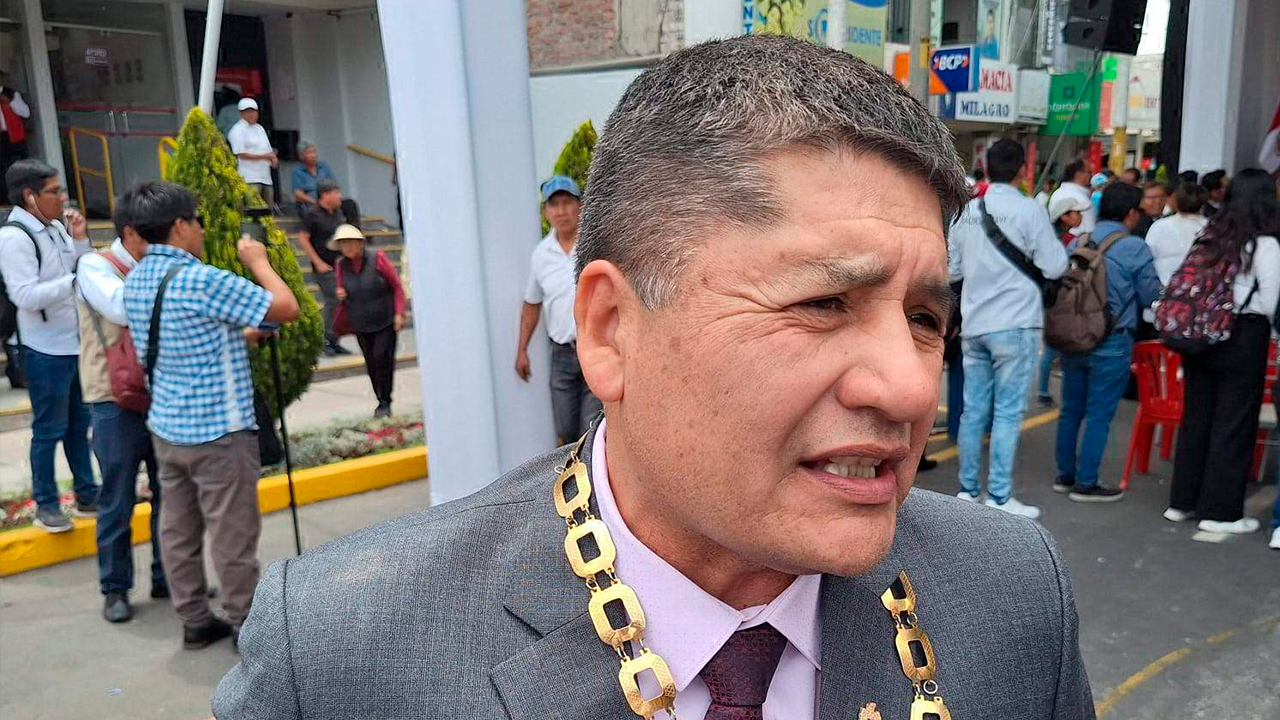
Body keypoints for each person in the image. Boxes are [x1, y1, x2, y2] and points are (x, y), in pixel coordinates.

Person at [215, 35, 1094, 720]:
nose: (909, 389)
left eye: (926, 319)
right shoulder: (346, 655)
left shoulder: (1012, 596)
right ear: (610, 330)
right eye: (824, 303)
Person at [122, 181, 300, 651]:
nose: (201, 230)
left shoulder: (137, 279)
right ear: (180, 226)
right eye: (197, 221)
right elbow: (286, 307)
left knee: (177, 529)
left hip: (169, 429)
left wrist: (243, 336)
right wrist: (258, 262)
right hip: (219, 433)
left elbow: (184, 341)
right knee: (232, 533)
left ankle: (195, 620)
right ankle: (246, 625)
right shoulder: (200, 279)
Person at [949, 139, 1068, 518]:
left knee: (972, 412)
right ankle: (999, 496)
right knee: (1006, 413)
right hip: (1016, 323)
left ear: (986, 166)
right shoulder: (1029, 210)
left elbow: (951, 269)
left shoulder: (967, 212)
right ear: (1022, 169)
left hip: (975, 324)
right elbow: (1055, 265)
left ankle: (968, 490)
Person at [1166, 169, 1280, 535]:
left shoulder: (1211, 233)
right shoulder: (1264, 244)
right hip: (1244, 335)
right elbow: (1269, 302)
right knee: (1234, 423)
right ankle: (1220, 511)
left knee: (1197, 417)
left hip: (1200, 335)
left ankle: (1182, 501)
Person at [75, 195, 168, 623]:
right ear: (130, 233)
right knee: (117, 497)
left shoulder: (153, 266)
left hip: (159, 394)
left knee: (171, 494)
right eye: (154, 235)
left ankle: (168, 575)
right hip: (112, 399)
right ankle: (115, 588)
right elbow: (121, 307)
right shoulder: (95, 266)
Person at [0, 159, 97, 533]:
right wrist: (72, 281)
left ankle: (87, 493)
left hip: (71, 343)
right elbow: (25, 295)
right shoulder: (15, 238)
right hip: (42, 349)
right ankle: (46, 505)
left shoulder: (55, 228)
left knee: (78, 425)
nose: (62, 198)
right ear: (30, 196)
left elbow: (78, 268)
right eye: (54, 191)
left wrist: (79, 240)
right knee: (48, 430)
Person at [1054, 183, 1161, 503]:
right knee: (1099, 413)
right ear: (1130, 213)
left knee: (1070, 409)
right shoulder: (1134, 247)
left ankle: (1065, 474)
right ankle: (1086, 482)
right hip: (1112, 339)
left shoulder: (1080, 242)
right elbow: (1150, 295)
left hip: (1075, 334)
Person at [515, 174, 602, 443]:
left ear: (580, 206)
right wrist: (521, 350)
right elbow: (532, 303)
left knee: (591, 428)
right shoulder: (541, 254)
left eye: (567, 202)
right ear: (546, 212)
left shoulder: (595, 246)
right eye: (554, 205)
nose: (561, 211)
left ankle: (592, 471)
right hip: (562, 355)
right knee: (565, 428)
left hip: (595, 346)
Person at [331, 224, 406, 418]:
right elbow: (340, 288)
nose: (347, 247)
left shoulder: (377, 258)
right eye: (343, 244)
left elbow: (397, 286)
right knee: (371, 362)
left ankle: (386, 399)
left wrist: (399, 313)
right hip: (360, 321)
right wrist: (340, 293)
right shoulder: (340, 265)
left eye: (350, 242)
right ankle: (379, 399)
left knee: (382, 357)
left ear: (360, 243)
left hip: (385, 319)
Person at [1036, 191, 1093, 408]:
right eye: (1076, 212)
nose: (1080, 216)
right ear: (1064, 216)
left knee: (1052, 345)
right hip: (1059, 299)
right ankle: (1043, 391)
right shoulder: (1064, 241)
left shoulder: (1050, 235)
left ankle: (1043, 390)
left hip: (1050, 297)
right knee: (1054, 346)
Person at [297, 179, 352, 356]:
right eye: (336, 193)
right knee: (333, 299)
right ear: (325, 195)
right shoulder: (312, 214)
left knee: (342, 301)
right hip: (324, 266)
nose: (339, 196)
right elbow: (303, 238)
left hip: (340, 264)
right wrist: (317, 262)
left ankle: (335, 339)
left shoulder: (338, 213)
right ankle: (324, 338)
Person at [1145, 182, 1208, 286]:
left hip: (1165, 286)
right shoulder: (1210, 228)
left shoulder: (1159, 226)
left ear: (1175, 201)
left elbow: (1148, 257)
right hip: (1200, 287)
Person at [226, 98, 277, 208]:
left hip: (265, 176)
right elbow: (240, 153)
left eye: (254, 111)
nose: (252, 114)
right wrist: (264, 156)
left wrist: (273, 158)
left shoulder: (259, 128)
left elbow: (268, 149)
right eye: (248, 112)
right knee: (253, 208)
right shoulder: (237, 130)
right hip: (249, 177)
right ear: (241, 114)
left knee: (268, 208)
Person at [290, 141, 335, 217]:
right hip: (309, 203)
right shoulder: (298, 171)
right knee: (318, 212)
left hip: (327, 199)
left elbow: (333, 185)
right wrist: (317, 202)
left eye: (314, 152)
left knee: (349, 204)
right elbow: (298, 194)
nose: (313, 155)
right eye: (309, 153)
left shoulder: (324, 167)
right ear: (302, 156)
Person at [1052, 159, 1097, 235]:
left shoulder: (1059, 192)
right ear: (1078, 174)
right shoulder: (1078, 197)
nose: (1092, 176)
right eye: (1089, 172)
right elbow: (1088, 229)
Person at [0, 69, 30, 181]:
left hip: (15, 137)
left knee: (20, 167)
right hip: (1, 137)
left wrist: (10, 102)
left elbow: (26, 113)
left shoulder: (12, 94)